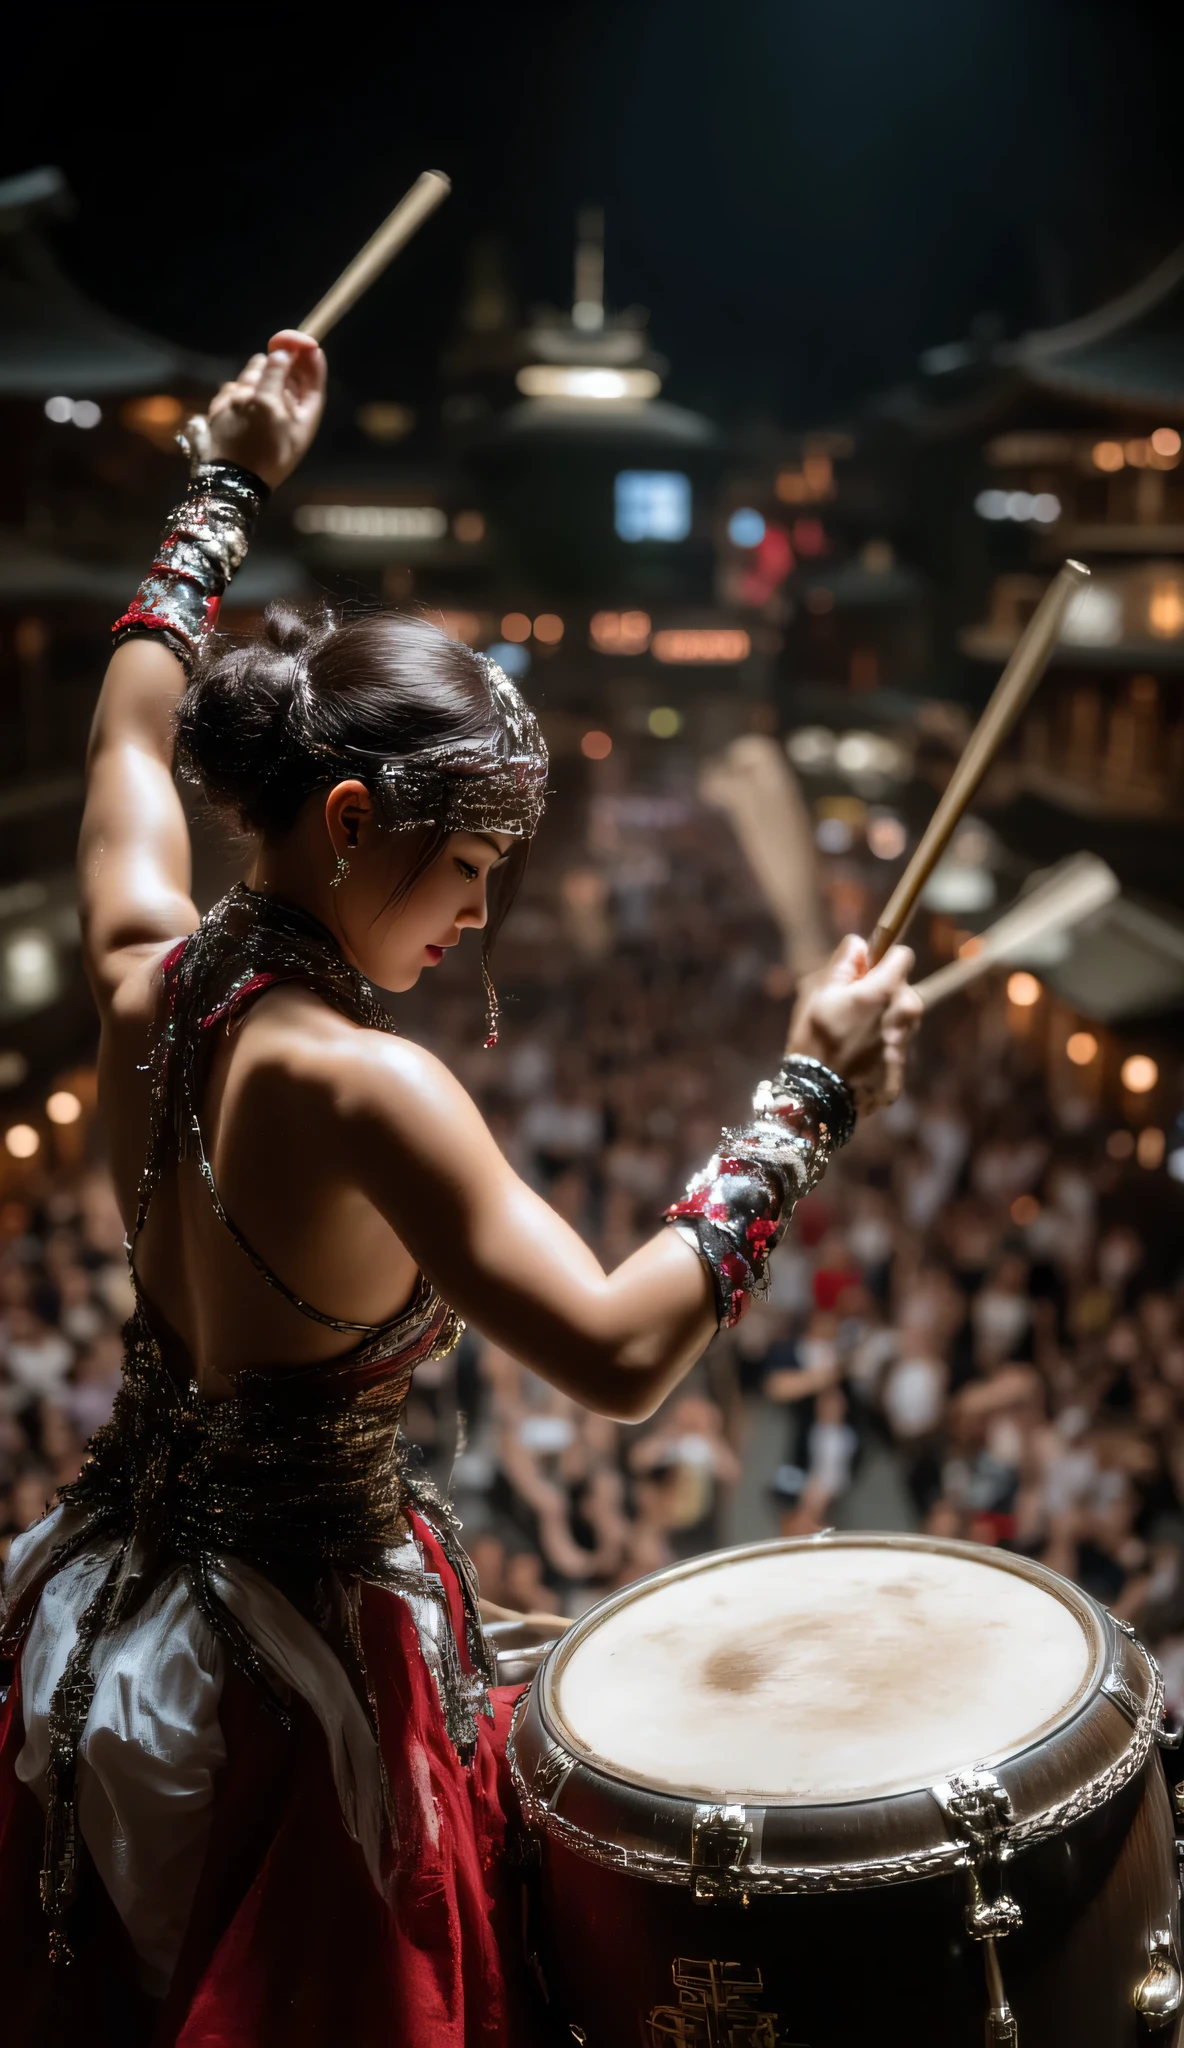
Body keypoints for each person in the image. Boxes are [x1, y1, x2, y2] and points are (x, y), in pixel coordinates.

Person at [0, 331, 920, 2047]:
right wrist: (809, 1093)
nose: (477, 919)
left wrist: (224, 478)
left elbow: (137, 721)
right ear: (350, 817)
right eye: (471, 868)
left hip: (105, 1600)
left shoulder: (140, 977)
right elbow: (620, 1352)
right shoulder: (361, 1084)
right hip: (296, 1688)